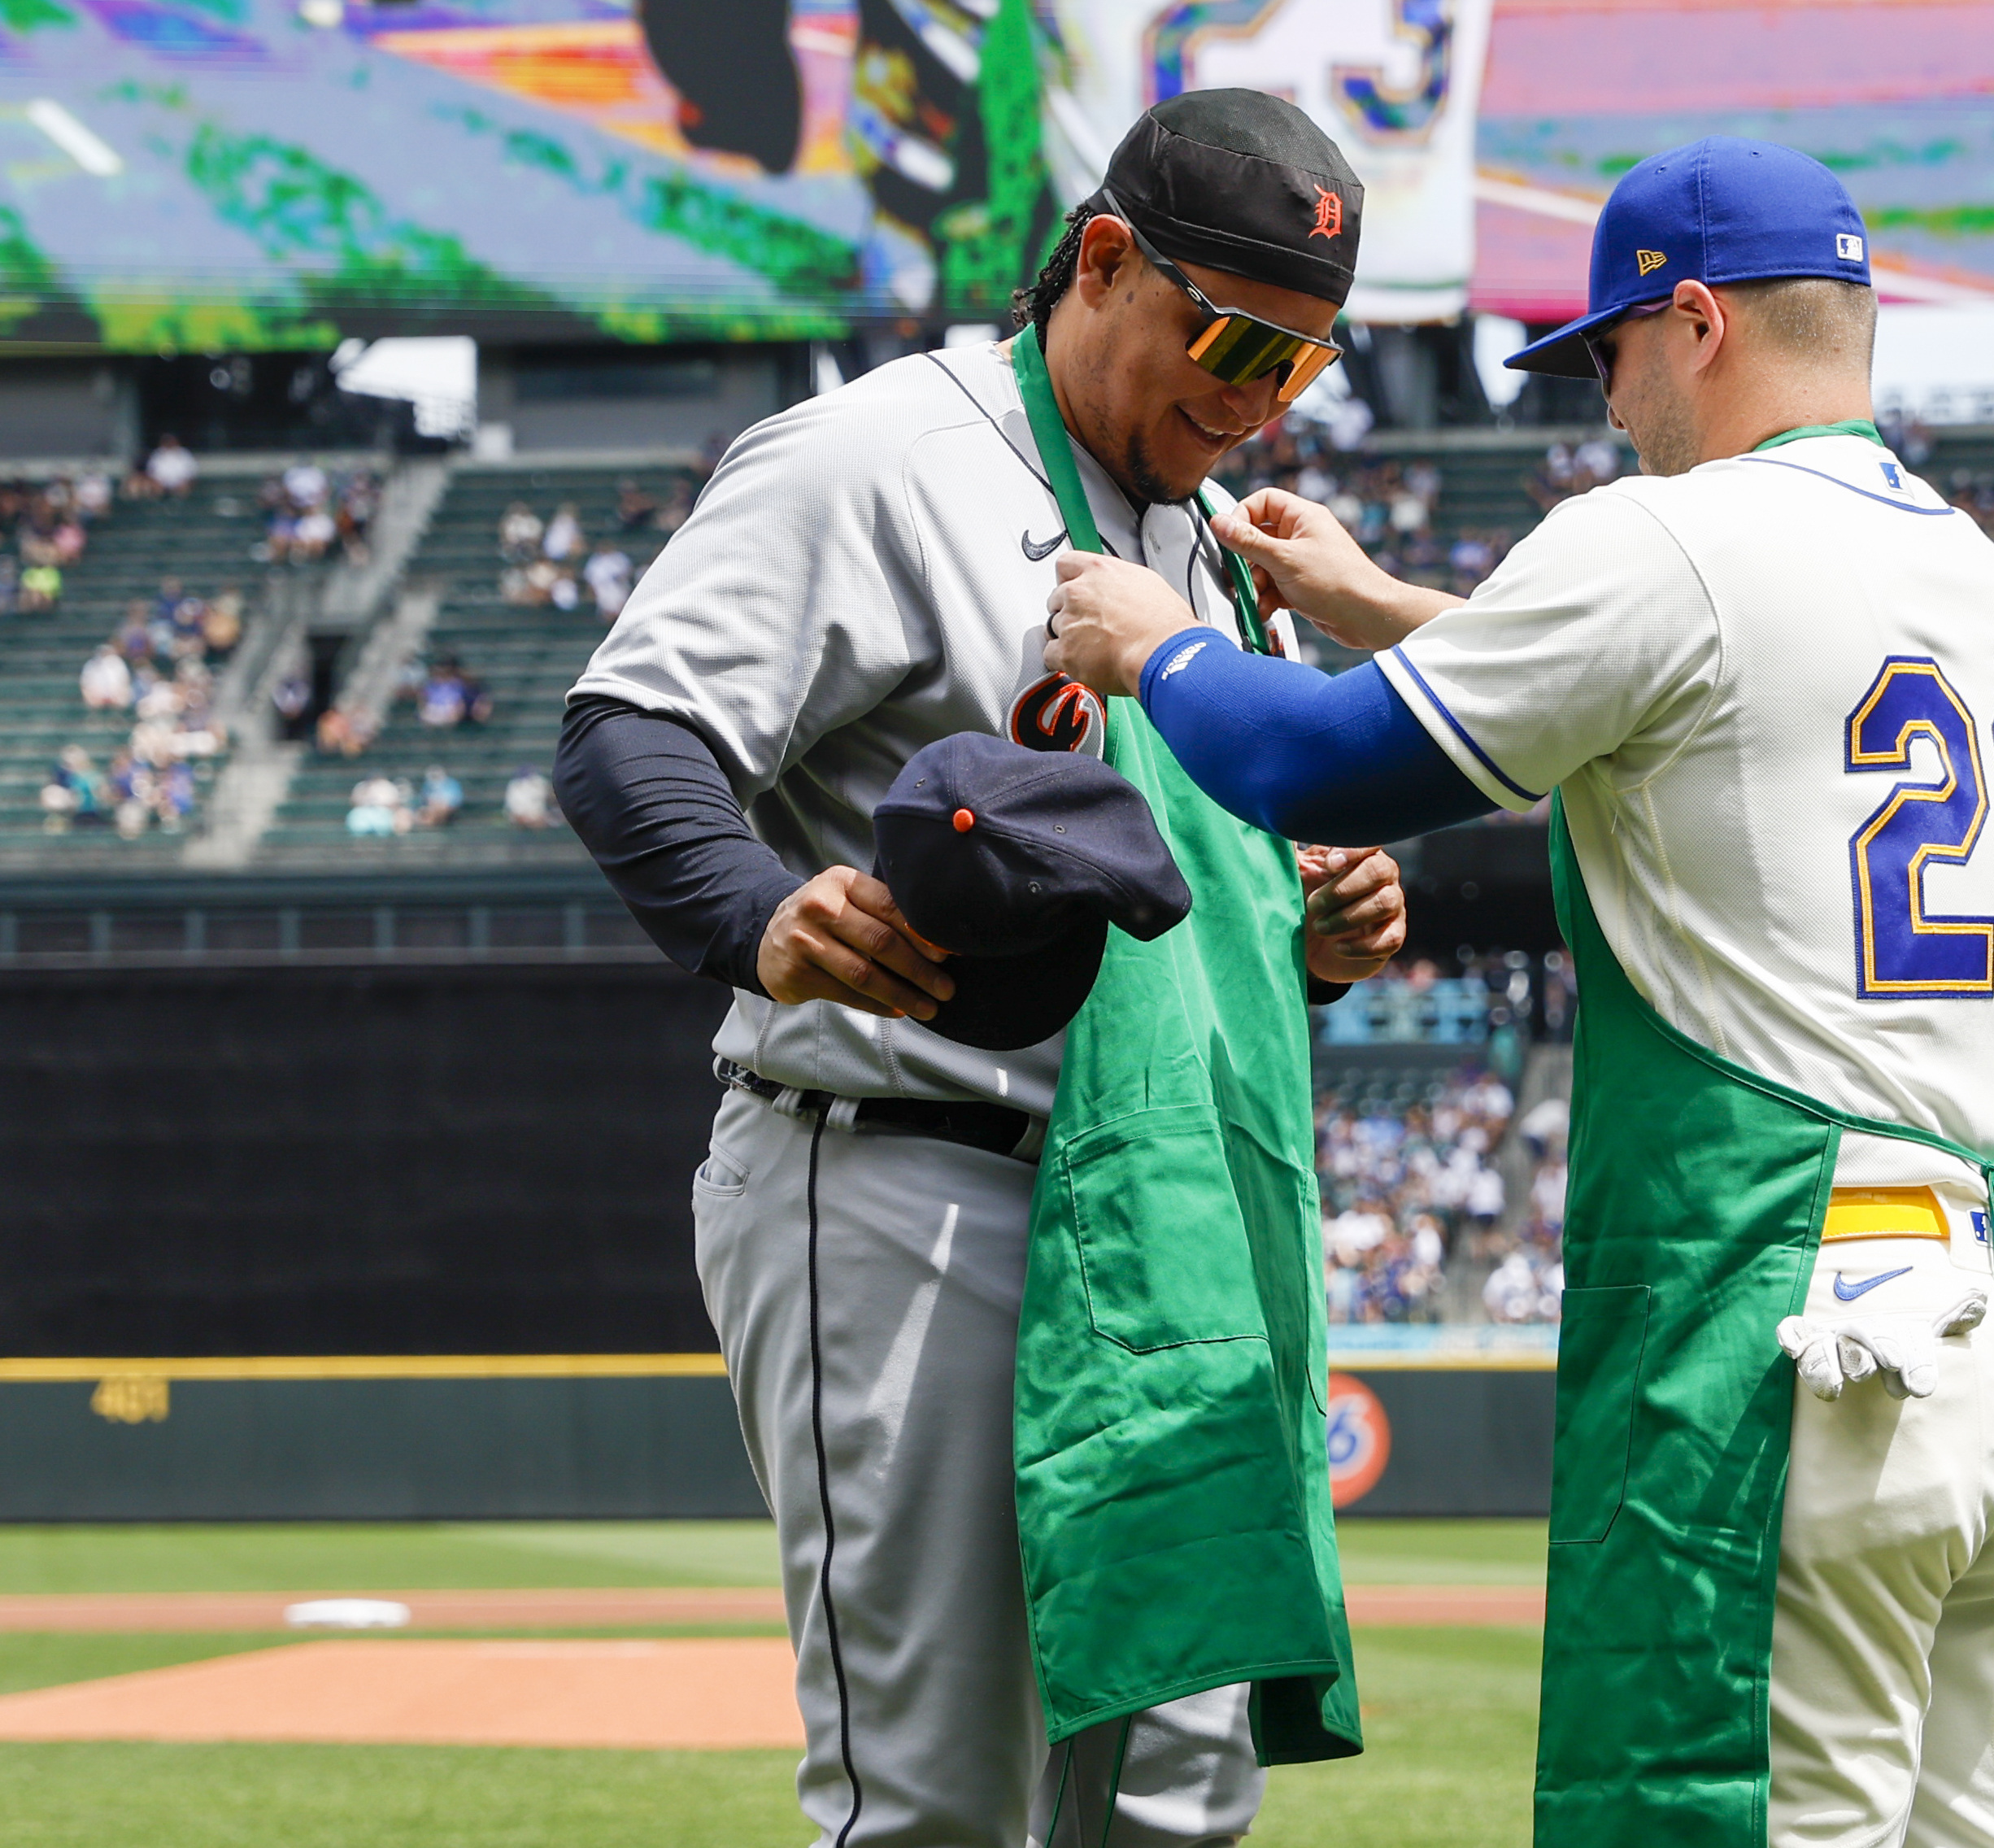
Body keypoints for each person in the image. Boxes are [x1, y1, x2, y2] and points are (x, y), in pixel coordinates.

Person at [1042, 136, 1994, 1848]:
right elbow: (1688, 719)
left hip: (1803, 1312)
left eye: (1609, 351)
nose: (1607, 403)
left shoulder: (1674, 536)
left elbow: (1316, 763)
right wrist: (1382, 602)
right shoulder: (1975, 573)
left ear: (1696, 322)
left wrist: (1158, 643)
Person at [555, 90, 1404, 1848]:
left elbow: (1153, 901)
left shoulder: (1213, 540)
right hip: (907, 1179)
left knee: (1174, 1787)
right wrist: (755, 911)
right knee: (937, 1795)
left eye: (1301, 365)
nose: (1258, 396)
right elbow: (631, 730)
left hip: (1163, 1224)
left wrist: (1309, 928)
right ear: (1102, 259)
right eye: (1235, 338)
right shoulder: (874, 450)